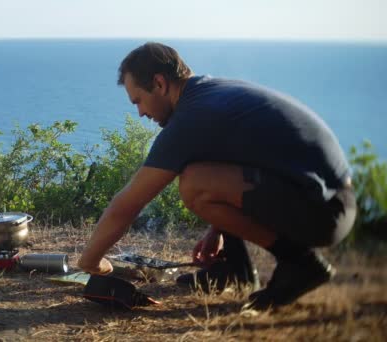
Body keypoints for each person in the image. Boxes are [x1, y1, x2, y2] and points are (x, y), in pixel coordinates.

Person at [77, 42, 356, 310]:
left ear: (159, 84)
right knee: (199, 171)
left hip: (325, 212)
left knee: (194, 185)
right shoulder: (209, 94)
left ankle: (300, 263)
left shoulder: (192, 117)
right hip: (327, 200)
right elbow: (239, 160)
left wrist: (91, 262)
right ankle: (236, 269)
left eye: (138, 100)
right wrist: (218, 229)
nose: (139, 112)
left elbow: (127, 205)